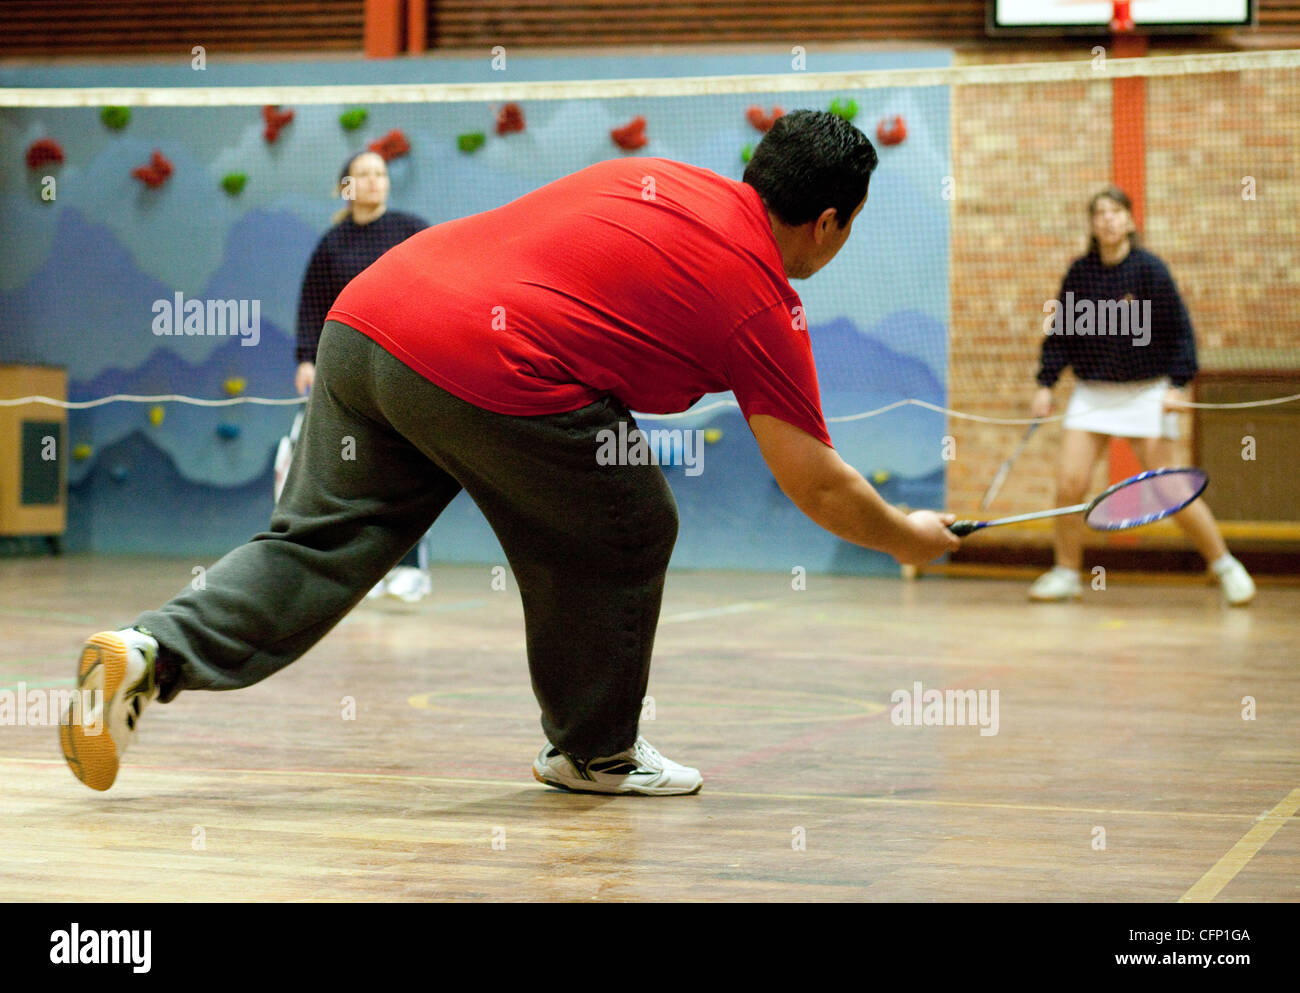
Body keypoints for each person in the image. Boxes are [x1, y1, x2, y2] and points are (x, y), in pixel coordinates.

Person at [59, 110, 961, 798]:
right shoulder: (762, 297)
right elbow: (816, 483)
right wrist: (905, 536)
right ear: (832, 222)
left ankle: (150, 650)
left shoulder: (662, 177)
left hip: (369, 318)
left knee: (321, 539)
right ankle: (594, 752)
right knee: (629, 522)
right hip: (483, 359)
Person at [1028, 186, 1255, 605]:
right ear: (1093, 224)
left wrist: (1177, 384)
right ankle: (1065, 573)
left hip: (1148, 391)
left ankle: (1225, 566)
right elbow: (1060, 335)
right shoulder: (1080, 273)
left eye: (1116, 212)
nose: (1108, 219)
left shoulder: (1150, 271)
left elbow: (1181, 332)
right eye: (1099, 213)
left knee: (1170, 487)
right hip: (1093, 393)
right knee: (1069, 484)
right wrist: (1045, 384)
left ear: (1131, 220)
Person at [293, 150, 432, 602]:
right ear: (346, 187)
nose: (374, 181)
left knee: (407, 466)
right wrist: (305, 359)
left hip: (405, 365)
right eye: (364, 175)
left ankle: (412, 568)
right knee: (355, 470)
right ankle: (365, 567)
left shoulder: (412, 230)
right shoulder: (331, 244)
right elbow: (314, 304)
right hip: (351, 371)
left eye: (380, 174)